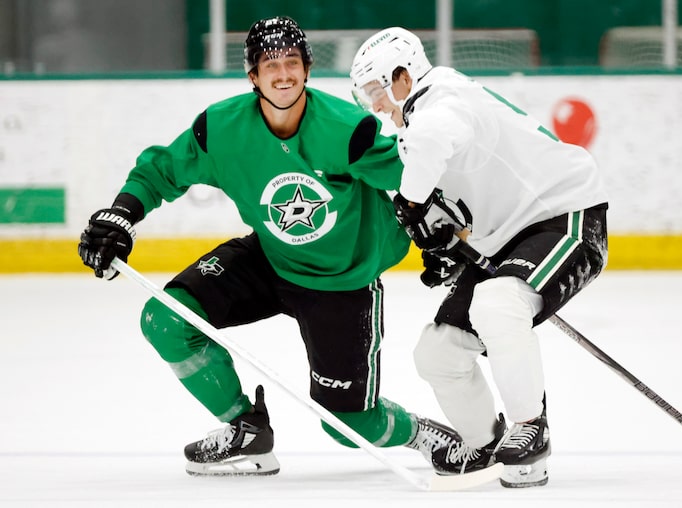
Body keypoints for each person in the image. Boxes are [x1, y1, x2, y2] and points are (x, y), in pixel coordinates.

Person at [77, 17, 463, 477]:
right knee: (165, 320)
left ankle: (422, 434)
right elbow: (160, 170)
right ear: (252, 76)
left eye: (292, 62)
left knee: (347, 424)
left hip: (343, 282)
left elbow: (416, 179)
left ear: (307, 69)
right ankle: (246, 429)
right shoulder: (220, 130)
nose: (283, 73)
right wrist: (122, 213)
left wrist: (450, 235)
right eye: (270, 64)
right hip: (271, 258)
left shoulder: (347, 129)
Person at [350, 27, 609, 488]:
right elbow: (458, 202)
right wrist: (447, 245)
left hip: (564, 214)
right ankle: (484, 442)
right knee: (437, 352)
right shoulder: (420, 124)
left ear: (402, 76)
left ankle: (530, 426)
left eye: (376, 91)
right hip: (507, 237)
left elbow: (439, 134)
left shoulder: (443, 99)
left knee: (496, 304)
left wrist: (409, 203)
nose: (376, 105)